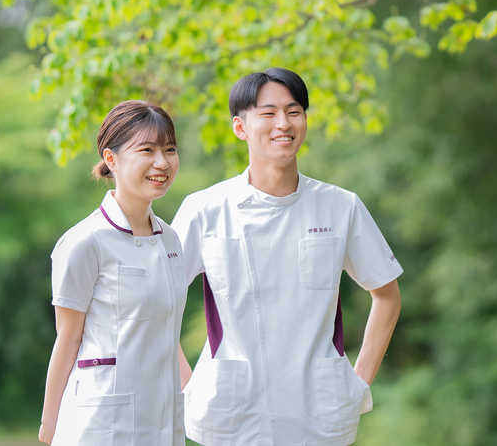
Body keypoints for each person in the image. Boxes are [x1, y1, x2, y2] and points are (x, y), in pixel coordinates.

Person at [172, 68, 403, 446]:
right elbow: (157, 300)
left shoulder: (340, 206)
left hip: (319, 411)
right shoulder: (204, 209)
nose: (283, 123)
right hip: (232, 411)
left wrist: (358, 383)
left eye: (294, 111)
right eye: (268, 113)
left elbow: (387, 294)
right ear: (240, 127)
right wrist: (190, 385)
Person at [39, 100, 191, 446]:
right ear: (111, 159)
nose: (162, 163)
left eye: (169, 149)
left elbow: (167, 331)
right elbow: (68, 339)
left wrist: (192, 390)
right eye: (147, 150)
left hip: (164, 422)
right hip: (101, 424)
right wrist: (50, 425)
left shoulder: (171, 239)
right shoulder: (84, 242)